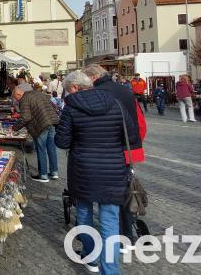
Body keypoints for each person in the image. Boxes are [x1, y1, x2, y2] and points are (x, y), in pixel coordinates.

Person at [56, 70, 136, 274]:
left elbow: (62, 142)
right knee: (110, 223)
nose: (66, 94)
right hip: (113, 170)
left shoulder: (71, 108)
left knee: (84, 214)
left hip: (84, 170)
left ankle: (90, 257)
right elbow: (132, 136)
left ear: (75, 88)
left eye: (67, 90)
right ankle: (110, 271)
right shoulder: (115, 103)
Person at [12, 84, 59, 182]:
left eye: (16, 98)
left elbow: (26, 117)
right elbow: (53, 106)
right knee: (51, 148)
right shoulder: (38, 93)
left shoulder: (24, 99)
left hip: (41, 125)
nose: (17, 101)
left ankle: (43, 175)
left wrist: (14, 128)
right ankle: (54, 172)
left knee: (41, 149)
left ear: (18, 94)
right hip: (53, 122)